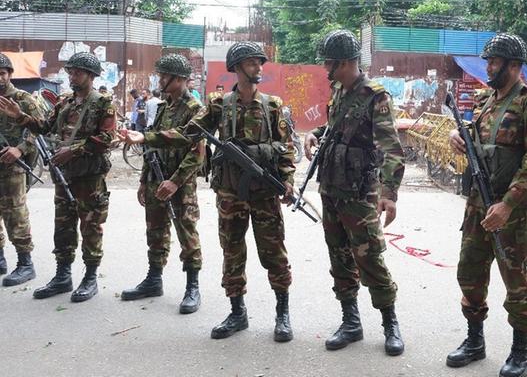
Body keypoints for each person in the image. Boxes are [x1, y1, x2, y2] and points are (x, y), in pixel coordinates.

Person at [138, 42, 296, 341]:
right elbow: (187, 134)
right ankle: (237, 313)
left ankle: (282, 314)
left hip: (263, 192)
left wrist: (287, 180)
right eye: (251, 63)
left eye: (260, 63)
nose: (258, 68)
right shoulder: (219, 105)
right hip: (230, 194)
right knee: (232, 252)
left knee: (274, 253)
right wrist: (145, 137)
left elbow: (286, 148)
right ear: (236, 67)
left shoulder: (272, 105)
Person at [445, 33, 527, 377]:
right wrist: (459, 138)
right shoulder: (488, 101)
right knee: (469, 273)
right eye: (488, 61)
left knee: (515, 279)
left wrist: (506, 205)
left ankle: (521, 352)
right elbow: (481, 143)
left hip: (510, 209)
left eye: (494, 62)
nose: (488, 67)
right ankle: (475, 341)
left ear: (514, 65)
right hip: (478, 203)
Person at [303, 29, 405, 356]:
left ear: (347, 62)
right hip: (331, 188)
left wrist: (389, 193)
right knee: (339, 256)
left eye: (330, 63)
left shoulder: (376, 96)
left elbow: (392, 148)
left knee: (369, 256)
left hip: (360, 194)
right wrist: (314, 135)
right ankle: (351, 321)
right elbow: (334, 128)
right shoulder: (339, 93)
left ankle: (390, 323)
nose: (326, 68)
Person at [0, 52, 115, 303]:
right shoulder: (65, 103)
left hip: (89, 177)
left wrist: (72, 150)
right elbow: (43, 127)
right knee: (63, 227)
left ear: (91, 76)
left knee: (91, 227)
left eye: (77, 72)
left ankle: (90, 278)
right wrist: (19, 116)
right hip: (65, 176)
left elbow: (108, 139)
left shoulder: (103, 103)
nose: (72, 76)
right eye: (70, 72)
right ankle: (63, 276)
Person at [118, 55, 204, 314]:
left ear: (178, 79)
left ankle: (192, 286)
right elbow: (152, 146)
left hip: (180, 183)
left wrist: (175, 182)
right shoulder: (165, 106)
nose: (160, 80)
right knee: (155, 230)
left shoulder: (194, 108)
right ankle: (154, 279)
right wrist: (145, 180)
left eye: (165, 76)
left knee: (186, 232)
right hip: (156, 178)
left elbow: (197, 152)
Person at [0, 52, 45, 287]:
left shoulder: (22, 99)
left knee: (15, 215)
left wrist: (19, 148)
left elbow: (39, 127)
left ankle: (25, 263)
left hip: (13, 168)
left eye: (2, 73)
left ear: (9, 74)